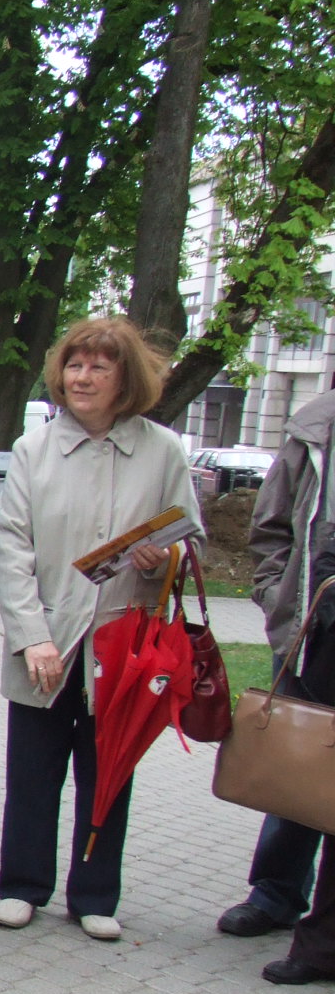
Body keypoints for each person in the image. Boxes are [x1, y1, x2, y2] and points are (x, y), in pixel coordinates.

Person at [0, 317, 199, 939]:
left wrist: (162, 557)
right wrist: (33, 637)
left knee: (109, 773)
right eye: (74, 366)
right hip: (48, 638)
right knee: (32, 773)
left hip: (123, 641)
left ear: (125, 379)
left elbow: (188, 537)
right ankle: (22, 886)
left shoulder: (163, 450)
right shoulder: (34, 449)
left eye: (98, 367)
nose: (82, 378)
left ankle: (95, 894)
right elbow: (11, 550)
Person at [217, 388, 335, 943]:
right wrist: (276, 596)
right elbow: (271, 527)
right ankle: (277, 893)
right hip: (313, 626)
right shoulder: (314, 430)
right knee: (298, 759)